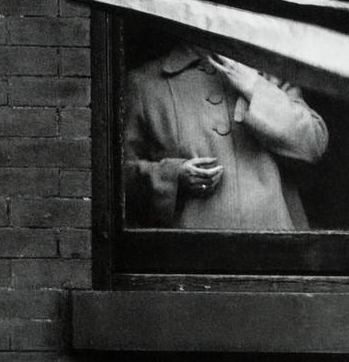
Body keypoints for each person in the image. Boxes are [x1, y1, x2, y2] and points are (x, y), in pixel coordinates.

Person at [124, 44, 327, 230]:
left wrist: (255, 87)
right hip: (189, 254)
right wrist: (172, 176)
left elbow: (313, 143)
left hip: (274, 250)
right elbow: (116, 178)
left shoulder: (269, 72)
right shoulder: (145, 84)